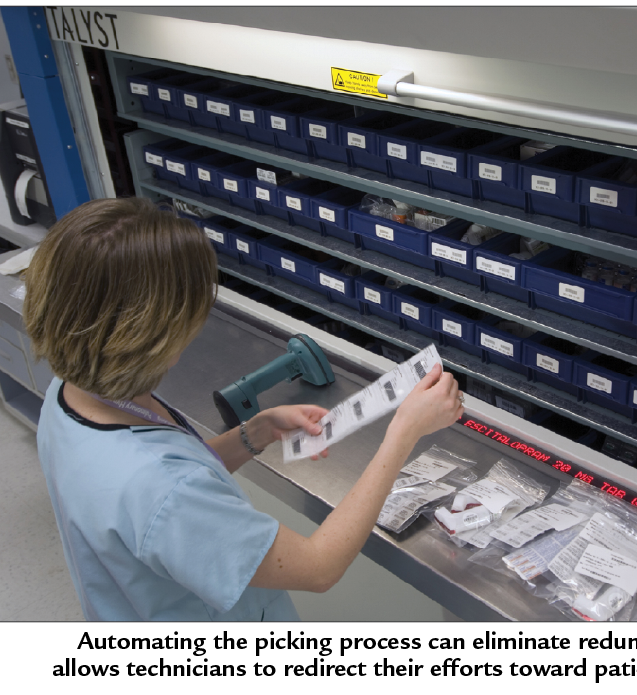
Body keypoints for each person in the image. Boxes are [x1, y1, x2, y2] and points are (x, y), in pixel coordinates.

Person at [23, 197, 464, 620]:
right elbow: (318, 567)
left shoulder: (72, 395)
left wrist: (254, 433)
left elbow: (170, 480)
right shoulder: (162, 489)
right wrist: (404, 432)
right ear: (148, 337)